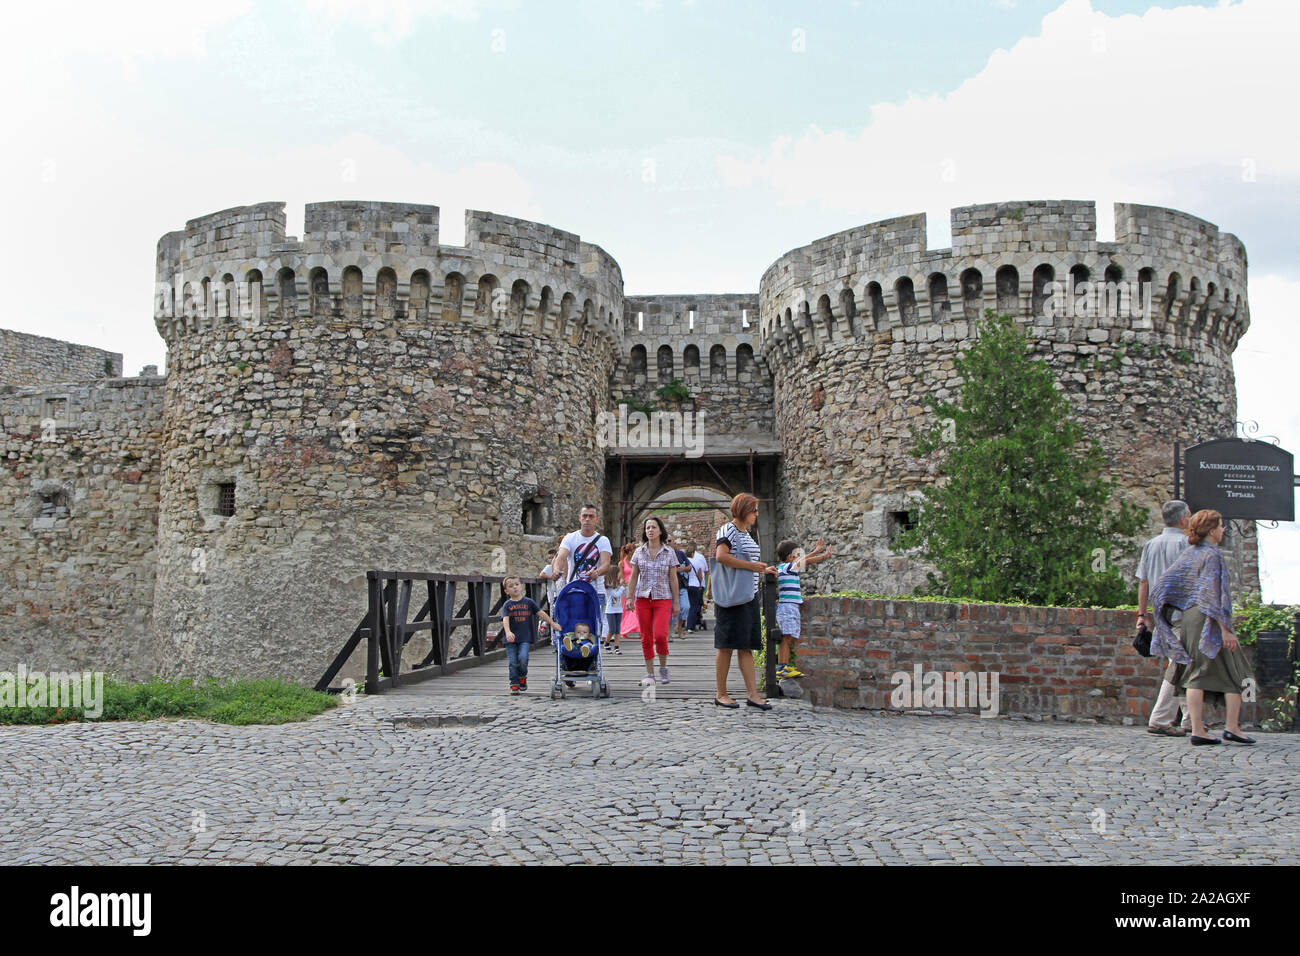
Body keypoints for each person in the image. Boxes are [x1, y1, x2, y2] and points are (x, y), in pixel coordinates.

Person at [1149, 510, 1256, 746]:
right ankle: (1231, 727)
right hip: (1208, 618)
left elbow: (1161, 586)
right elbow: (1211, 596)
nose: (1223, 530)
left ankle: (1200, 729)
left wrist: (1170, 610)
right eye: (1220, 526)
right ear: (1211, 530)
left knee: (1195, 673)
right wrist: (1226, 629)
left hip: (1190, 618)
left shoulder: (1190, 554)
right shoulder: (1211, 555)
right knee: (1238, 672)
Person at [713, 493, 777, 710]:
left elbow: (747, 561)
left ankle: (753, 694)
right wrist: (752, 567)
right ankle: (721, 693)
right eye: (754, 510)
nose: (757, 514)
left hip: (748, 595)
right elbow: (721, 556)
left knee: (746, 646)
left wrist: (763, 569)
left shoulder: (746, 534)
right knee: (726, 646)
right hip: (732, 597)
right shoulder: (727, 530)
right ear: (743, 510)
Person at [1136, 501, 1191, 737]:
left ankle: (1191, 719)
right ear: (1182, 519)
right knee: (1179, 666)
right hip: (1182, 614)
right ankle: (1160, 718)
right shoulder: (1186, 544)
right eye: (1189, 516)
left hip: (1161, 615)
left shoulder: (1151, 544)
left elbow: (1143, 582)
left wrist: (1142, 614)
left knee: (1186, 665)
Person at [625, 516, 679, 686]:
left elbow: (673, 579)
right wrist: (629, 597)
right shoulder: (639, 552)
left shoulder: (669, 552)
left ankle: (663, 667)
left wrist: (676, 601)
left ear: (660, 531)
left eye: (653, 527)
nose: (650, 530)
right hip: (643, 599)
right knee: (646, 637)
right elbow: (633, 577)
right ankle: (650, 673)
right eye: (648, 528)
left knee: (661, 636)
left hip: (663, 598)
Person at [553, 504, 613, 643]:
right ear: (579, 518)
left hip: (596, 590)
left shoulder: (603, 541)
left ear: (596, 519)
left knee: (593, 625)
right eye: (584, 516)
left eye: (591, 516)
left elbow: (606, 564)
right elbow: (561, 556)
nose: (587, 519)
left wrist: (597, 572)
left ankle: (589, 650)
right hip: (573, 589)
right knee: (571, 623)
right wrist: (557, 569)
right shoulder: (570, 538)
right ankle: (572, 649)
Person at [774, 537, 833, 680]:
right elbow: (804, 561)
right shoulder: (787, 568)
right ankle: (782, 667)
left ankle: (784, 666)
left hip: (790, 607)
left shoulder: (785, 568)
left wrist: (820, 554)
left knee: (788, 637)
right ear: (790, 557)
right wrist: (818, 552)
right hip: (787, 607)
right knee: (786, 638)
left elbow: (804, 561)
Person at [502, 575, 558, 695]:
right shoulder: (507, 604)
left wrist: (552, 623)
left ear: (521, 586)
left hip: (525, 637)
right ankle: (514, 683)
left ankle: (522, 677)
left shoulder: (529, 602)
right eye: (511, 586)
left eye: (517, 584)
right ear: (506, 591)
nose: (515, 587)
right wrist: (508, 632)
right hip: (511, 638)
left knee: (523, 658)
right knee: (512, 662)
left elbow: (541, 613)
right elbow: (505, 619)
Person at [618, 542, 641, 650]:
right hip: (626, 588)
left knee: (635, 610)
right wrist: (623, 582)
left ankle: (637, 628)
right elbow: (621, 577)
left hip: (636, 588)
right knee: (626, 611)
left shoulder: (635, 562)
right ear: (630, 551)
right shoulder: (622, 563)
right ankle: (624, 629)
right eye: (634, 550)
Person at [686, 542, 709, 631]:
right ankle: (691, 625)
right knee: (695, 605)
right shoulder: (699, 558)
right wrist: (700, 584)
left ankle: (684, 623)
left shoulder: (685, 558)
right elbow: (703, 571)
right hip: (697, 585)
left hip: (686, 585)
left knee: (687, 605)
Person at [604, 567, 625, 654]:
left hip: (619, 609)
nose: (621, 574)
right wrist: (622, 588)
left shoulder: (619, 585)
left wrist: (624, 586)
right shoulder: (608, 587)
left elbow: (623, 594)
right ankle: (606, 643)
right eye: (619, 572)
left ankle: (616, 647)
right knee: (612, 629)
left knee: (617, 630)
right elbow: (616, 594)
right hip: (610, 610)